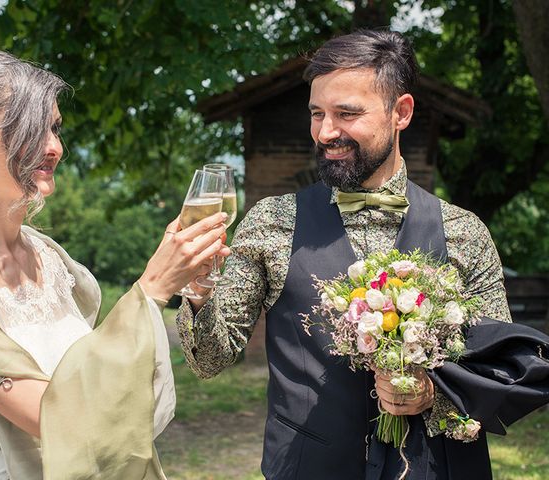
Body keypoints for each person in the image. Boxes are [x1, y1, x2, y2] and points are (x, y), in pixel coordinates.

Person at [175, 30, 514, 479]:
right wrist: (197, 289)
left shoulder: (464, 231)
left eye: (346, 114)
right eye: (317, 114)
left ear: (401, 113)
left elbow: (502, 372)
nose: (326, 132)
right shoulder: (271, 221)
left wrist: (434, 394)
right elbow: (209, 360)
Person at [0, 49, 229, 480]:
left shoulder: (51, 259)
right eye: (28, 128)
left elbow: (95, 385)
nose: (54, 147)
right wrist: (151, 289)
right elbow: (50, 414)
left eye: (55, 128)